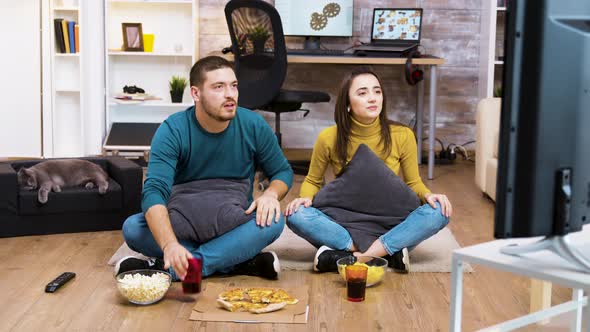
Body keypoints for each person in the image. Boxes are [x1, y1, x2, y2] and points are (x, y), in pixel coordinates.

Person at [115, 56, 293, 281]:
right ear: (196, 94)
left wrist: (270, 194)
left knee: (274, 221)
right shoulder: (173, 129)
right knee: (133, 228)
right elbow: (154, 191)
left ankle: (181, 267)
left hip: (232, 219)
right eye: (218, 87)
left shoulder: (253, 124)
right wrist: (169, 244)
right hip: (181, 221)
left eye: (234, 85)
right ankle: (234, 260)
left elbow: (282, 172)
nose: (230, 94)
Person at [285, 67, 452, 273]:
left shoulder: (402, 134)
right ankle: (387, 253)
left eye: (377, 91)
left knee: (439, 212)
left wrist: (429, 195)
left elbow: (413, 183)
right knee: (296, 215)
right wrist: (305, 198)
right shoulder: (329, 137)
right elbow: (312, 180)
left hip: (390, 221)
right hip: (345, 221)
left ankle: (354, 256)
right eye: (362, 93)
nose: (372, 98)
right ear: (347, 104)